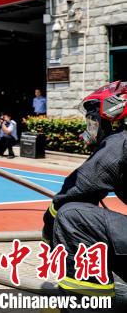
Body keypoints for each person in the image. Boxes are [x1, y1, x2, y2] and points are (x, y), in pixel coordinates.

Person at [41, 81, 127, 300]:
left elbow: (79, 188)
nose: (90, 127)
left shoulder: (121, 141)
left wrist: (50, 229)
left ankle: (86, 303)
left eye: (93, 120)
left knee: (72, 216)